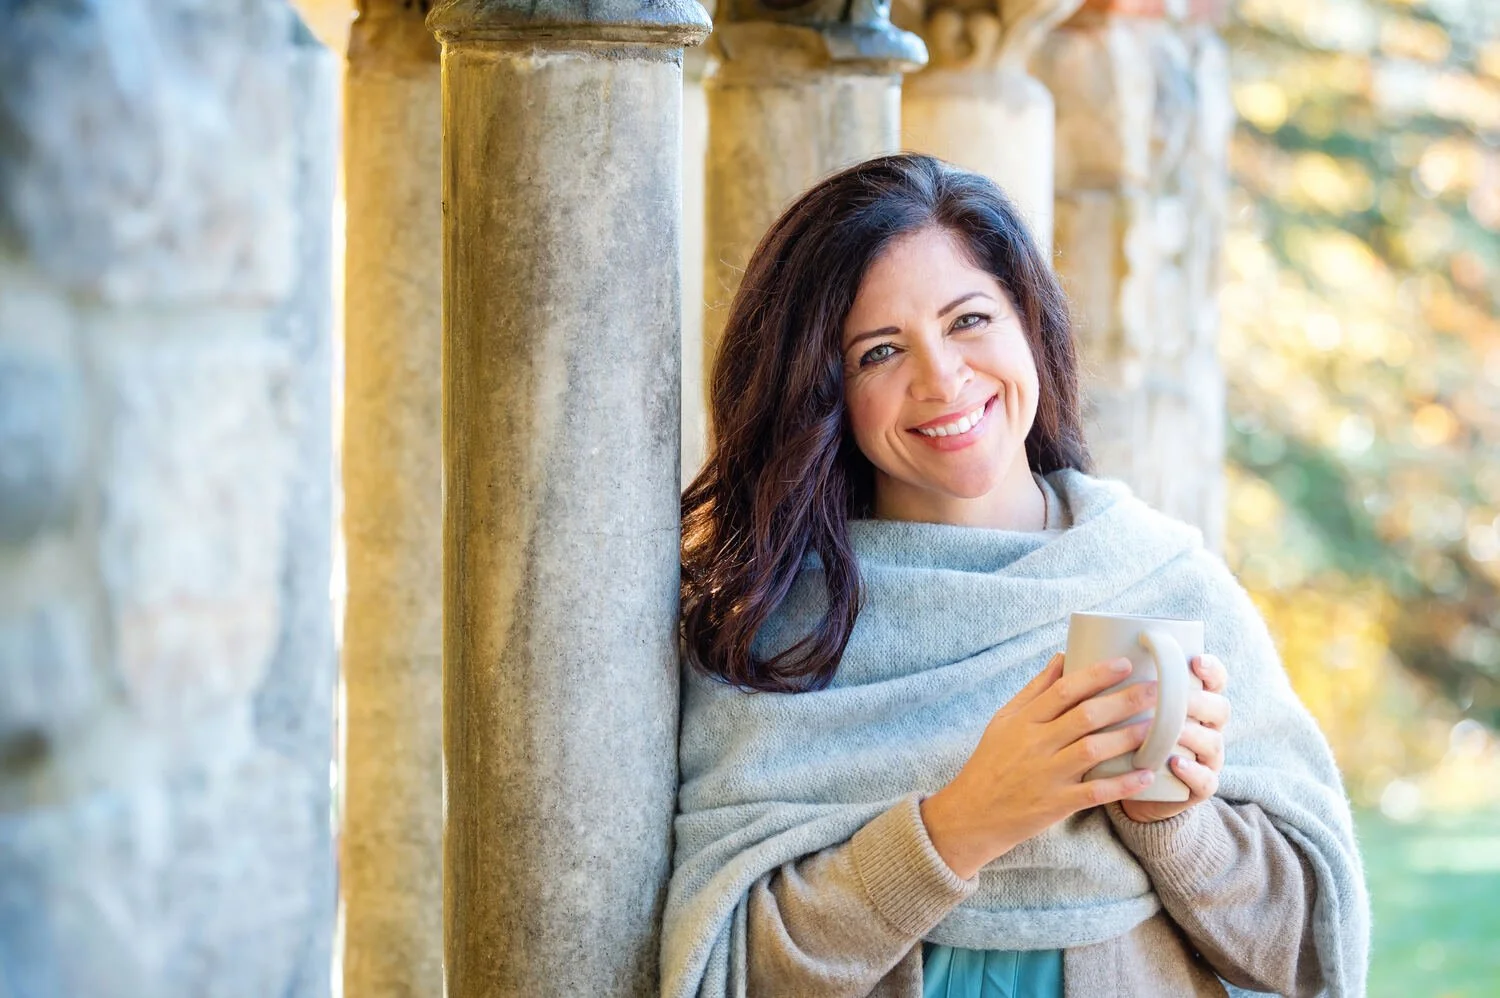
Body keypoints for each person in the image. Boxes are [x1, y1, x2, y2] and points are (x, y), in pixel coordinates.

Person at [662, 154, 1368, 998]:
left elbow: (1312, 954)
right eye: (879, 351)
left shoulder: (1162, 578)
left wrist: (1173, 822)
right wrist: (961, 824)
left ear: (1028, 321)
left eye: (968, 320)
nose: (942, 379)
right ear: (824, 392)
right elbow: (726, 970)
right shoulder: (771, 629)